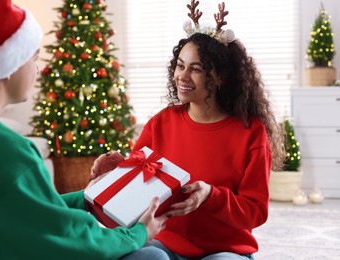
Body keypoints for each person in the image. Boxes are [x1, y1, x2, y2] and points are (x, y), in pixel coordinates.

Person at [0, 0, 168, 259]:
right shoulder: (4, 147)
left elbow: (25, 211)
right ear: (9, 64)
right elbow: (69, 237)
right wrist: (139, 233)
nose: (38, 69)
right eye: (34, 57)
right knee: (152, 256)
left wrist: (84, 198)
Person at [122, 1, 285, 260]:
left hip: (225, 250)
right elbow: (131, 185)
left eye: (196, 69)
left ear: (220, 77)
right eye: (180, 65)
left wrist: (212, 195)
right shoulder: (160, 124)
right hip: (165, 242)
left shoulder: (251, 132)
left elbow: (255, 211)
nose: (182, 76)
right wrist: (111, 169)